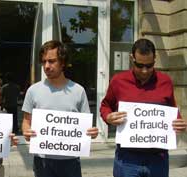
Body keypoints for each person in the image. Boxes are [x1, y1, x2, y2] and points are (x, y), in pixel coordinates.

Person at [100, 38, 187, 177]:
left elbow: (173, 111)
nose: (145, 71)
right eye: (139, 65)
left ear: (155, 59)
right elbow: (105, 106)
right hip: (127, 159)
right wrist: (108, 117)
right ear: (131, 58)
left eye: (150, 65)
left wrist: (179, 123)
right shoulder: (118, 80)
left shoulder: (165, 82)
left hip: (158, 159)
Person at [21, 40, 99, 177]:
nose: (46, 66)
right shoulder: (33, 91)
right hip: (42, 160)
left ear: (63, 62)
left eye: (51, 61)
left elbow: (87, 126)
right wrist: (26, 132)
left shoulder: (78, 91)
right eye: (44, 61)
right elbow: (26, 121)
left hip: (70, 161)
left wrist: (92, 132)